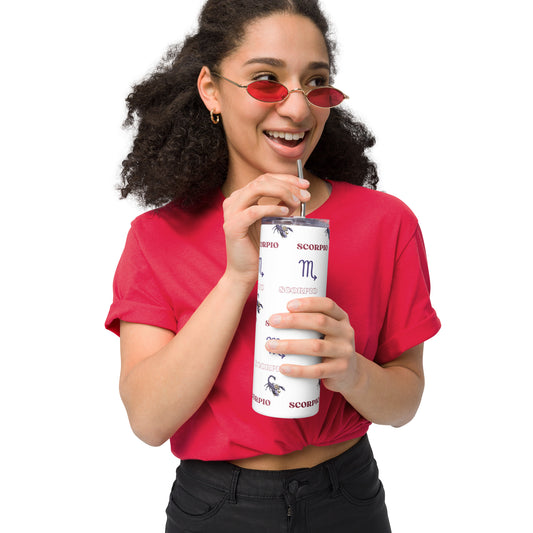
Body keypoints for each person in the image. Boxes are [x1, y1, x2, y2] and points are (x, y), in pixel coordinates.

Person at [105, 0, 441, 531]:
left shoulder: (387, 223)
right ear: (212, 90)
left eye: (316, 83)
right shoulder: (156, 238)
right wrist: (239, 276)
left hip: (348, 495)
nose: (298, 109)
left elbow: (405, 402)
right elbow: (148, 421)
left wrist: (353, 372)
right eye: (266, 81)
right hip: (217, 505)